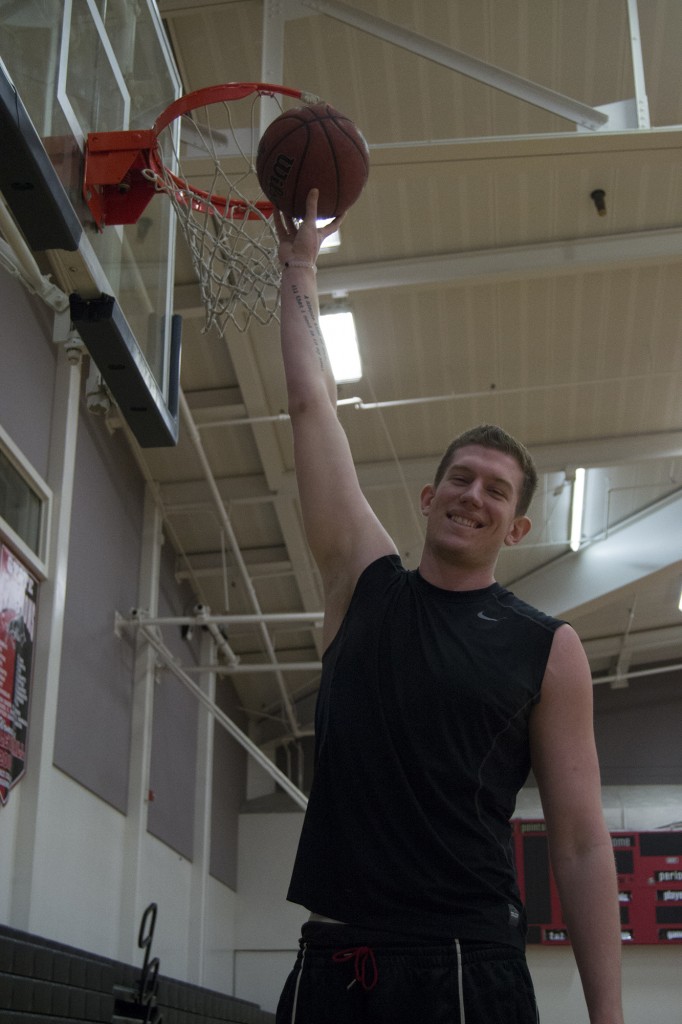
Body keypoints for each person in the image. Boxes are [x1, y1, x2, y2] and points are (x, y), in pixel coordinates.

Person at [273, 189, 624, 1024]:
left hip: (464, 968)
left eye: (496, 490)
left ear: (518, 524)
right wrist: (299, 270)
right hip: (332, 959)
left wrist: (609, 1018)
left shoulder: (548, 647)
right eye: (461, 479)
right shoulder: (363, 584)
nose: (474, 495)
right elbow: (310, 405)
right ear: (430, 496)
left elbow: (577, 842)